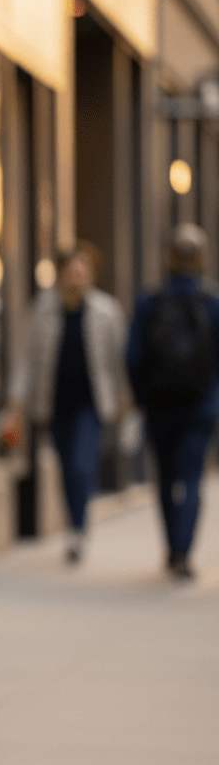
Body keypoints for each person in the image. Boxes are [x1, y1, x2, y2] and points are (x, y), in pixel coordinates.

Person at [4, 245, 127, 564]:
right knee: (64, 467)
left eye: (82, 271)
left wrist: (126, 400)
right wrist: (16, 402)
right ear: (60, 274)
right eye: (71, 271)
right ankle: (75, 523)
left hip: (91, 403)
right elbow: (26, 360)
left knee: (80, 464)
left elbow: (118, 361)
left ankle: (77, 528)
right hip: (54, 403)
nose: (76, 277)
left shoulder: (106, 310)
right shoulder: (42, 309)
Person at [126, 223, 219, 580]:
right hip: (201, 407)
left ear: (168, 258)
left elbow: (132, 357)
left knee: (165, 478)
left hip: (160, 406)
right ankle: (183, 551)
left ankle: (171, 547)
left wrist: (140, 397)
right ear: (201, 259)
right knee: (192, 479)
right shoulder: (211, 303)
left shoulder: (150, 302)